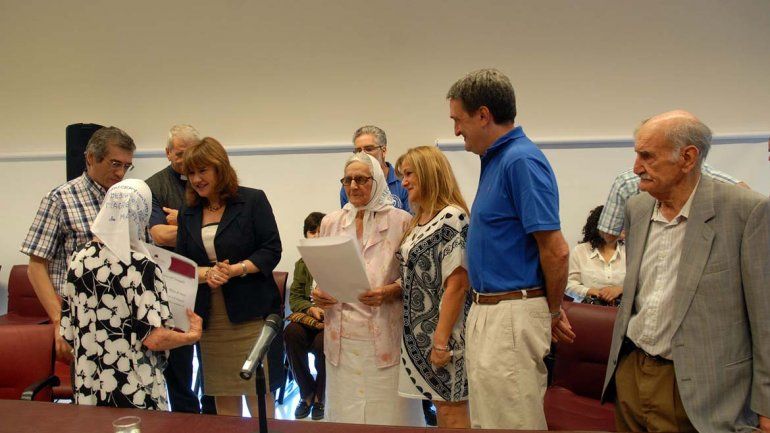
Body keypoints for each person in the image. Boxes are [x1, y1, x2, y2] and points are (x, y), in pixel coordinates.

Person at [600, 110, 770, 432]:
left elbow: (766, 318)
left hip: (703, 392)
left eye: (647, 156)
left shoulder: (746, 212)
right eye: (637, 154)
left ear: (687, 158)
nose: (636, 168)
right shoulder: (637, 208)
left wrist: (767, 405)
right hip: (632, 374)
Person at [446, 68, 574, 429]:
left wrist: (552, 311)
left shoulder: (521, 160)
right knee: (489, 422)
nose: (456, 130)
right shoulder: (497, 160)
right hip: (491, 311)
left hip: (511, 313)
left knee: (512, 423)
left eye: (458, 119)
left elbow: (557, 250)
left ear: (483, 115)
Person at [60, 179, 202, 409]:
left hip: (88, 387)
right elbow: (154, 338)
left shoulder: (78, 259)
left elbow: (68, 330)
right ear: (141, 216)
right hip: (134, 389)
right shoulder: (141, 266)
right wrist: (191, 336)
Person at [312, 153, 423, 426]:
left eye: (361, 179)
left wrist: (390, 291)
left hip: (384, 332)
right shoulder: (331, 222)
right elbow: (321, 270)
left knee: (387, 412)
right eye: (347, 180)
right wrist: (318, 292)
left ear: (378, 181)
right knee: (346, 411)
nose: (353, 186)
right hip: (342, 335)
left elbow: (414, 277)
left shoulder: (402, 221)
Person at [175, 137, 282, 417]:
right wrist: (208, 273)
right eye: (191, 173)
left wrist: (236, 269)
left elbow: (271, 250)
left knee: (258, 392)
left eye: (202, 171)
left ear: (220, 168)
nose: (196, 179)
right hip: (210, 317)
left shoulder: (252, 200)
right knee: (222, 393)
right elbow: (182, 265)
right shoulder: (188, 212)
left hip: (251, 313)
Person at [20, 126, 136, 362]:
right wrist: (59, 320)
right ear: (91, 158)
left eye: (127, 166)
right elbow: (36, 266)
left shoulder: (129, 200)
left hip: (125, 318)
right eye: (115, 164)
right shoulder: (60, 200)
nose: (121, 173)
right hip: (79, 319)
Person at [396, 146, 472, 428]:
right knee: (442, 412)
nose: (404, 182)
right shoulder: (417, 221)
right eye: (402, 176)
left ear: (429, 173)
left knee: (452, 412)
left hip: (447, 335)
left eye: (409, 174)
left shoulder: (453, 217)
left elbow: (457, 284)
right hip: (420, 336)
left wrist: (440, 341)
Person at [144, 124, 206, 414]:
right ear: (168, 153)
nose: (186, 159)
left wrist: (181, 220)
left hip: (210, 280)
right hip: (173, 284)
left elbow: (226, 230)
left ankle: (213, 417)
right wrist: (202, 227)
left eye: (192, 152)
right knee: (179, 360)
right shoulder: (154, 186)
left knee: (211, 358)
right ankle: (187, 418)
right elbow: (159, 235)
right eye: (180, 153)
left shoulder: (207, 181)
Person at [597, 164, 744, 243]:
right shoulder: (709, 176)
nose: (637, 167)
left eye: (647, 154)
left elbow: (609, 234)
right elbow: (744, 193)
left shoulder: (627, 182)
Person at [284, 211, 326, 421]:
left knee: (322, 343)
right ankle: (306, 392)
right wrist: (310, 309)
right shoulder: (302, 264)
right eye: (312, 231)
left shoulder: (338, 261)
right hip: (309, 318)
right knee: (291, 333)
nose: (316, 236)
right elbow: (295, 299)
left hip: (332, 321)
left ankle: (320, 396)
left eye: (321, 231)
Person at [339, 125, 410, 212]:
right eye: (358, 151)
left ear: (384, 151)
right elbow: (348, 216)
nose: (363, 154)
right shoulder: (350, 184)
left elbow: (412, 218)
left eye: (369, 149)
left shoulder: (403, 181)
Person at [565, 205, 625, 305]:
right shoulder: (580, 251)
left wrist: (620, 289)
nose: (624, 226)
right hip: (589, 310)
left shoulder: (630, 252)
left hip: (622, 311)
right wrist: (592, 292)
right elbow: (569, 285)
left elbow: (640, 284)